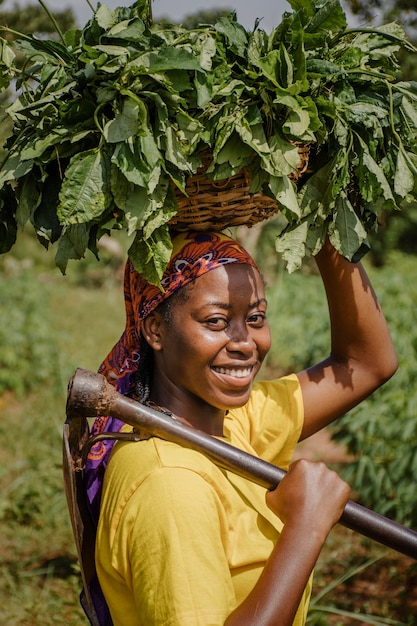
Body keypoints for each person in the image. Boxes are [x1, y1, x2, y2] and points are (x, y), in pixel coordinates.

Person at [84, 230, 397, 626]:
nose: (244, 342)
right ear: (155, 330)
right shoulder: (170, 485)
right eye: (215, 321)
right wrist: (306, 528)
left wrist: (327, 223)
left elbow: (365, 364)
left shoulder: (228, 422)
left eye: (255, 318)